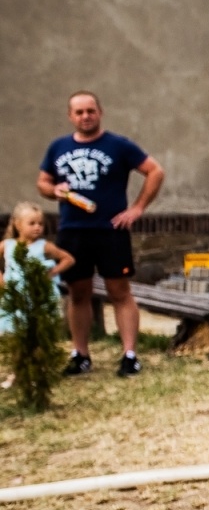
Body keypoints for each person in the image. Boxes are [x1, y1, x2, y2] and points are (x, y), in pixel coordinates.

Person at [36, 90, 164, 377]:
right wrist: (54, 190)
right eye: (79, 112)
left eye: (90, 111)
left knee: (119, 292)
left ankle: (129, 355)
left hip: (111, 231)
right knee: (77, 293)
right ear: (71, 116)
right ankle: (80, 355)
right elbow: (43, 182)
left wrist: (137, 209)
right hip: (72, 231)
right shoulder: (58, 147)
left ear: (100, 112)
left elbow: (155, 171)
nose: (85, 116)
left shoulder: (118, 145)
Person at [1, 202, 75, 335]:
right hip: (13, 291)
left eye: (40, 224)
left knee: (37, 325)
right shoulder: (8, 245)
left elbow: (68, 259)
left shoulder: (44, 246)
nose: (37, 227)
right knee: (13, 324)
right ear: (18, 225)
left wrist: (53, 272)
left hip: (37, 293)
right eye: (32, 223)